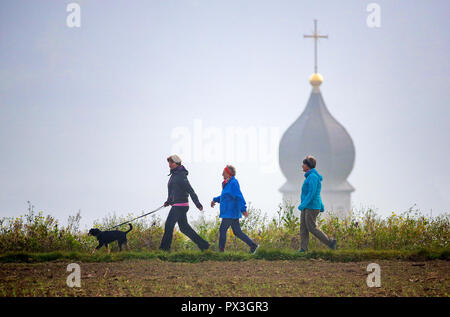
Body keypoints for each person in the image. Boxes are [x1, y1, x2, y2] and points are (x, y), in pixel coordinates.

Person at [159, 155, 210, 251]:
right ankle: (204, 245)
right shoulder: (174, 175)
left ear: (176, 163)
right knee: (184, 228)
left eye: (171, 163)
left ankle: (164, 249)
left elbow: (190, 190)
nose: (169, 165)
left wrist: (197, 204)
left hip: (180, 206)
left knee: (169, 225)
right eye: (168, 163)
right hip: (177, 205)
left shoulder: (181, 175)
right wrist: (168, 201)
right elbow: (173, 191)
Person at [211, 165, 258, 254]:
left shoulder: (233, 183)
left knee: (222, 230)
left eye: (224, 173)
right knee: (237, 232)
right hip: (230, 212)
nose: (222, 174)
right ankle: (253, 246)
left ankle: (221, 252)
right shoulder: (227, 183)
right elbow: (225, 197)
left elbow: (239, 196)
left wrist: (243, 209)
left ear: (229, 173)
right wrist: (215, 200)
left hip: (230, 212)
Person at [298, 155, 337, 252]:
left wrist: (303, 204)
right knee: (303, 228)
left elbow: (312, 193)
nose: (302, 166)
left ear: (308, 166)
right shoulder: (309, 177)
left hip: (311, 206)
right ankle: (303, 249)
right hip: (307, 206)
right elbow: (315, 192)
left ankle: (330, 242)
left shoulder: (313, 177)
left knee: (311, 228)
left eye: (304, 164)